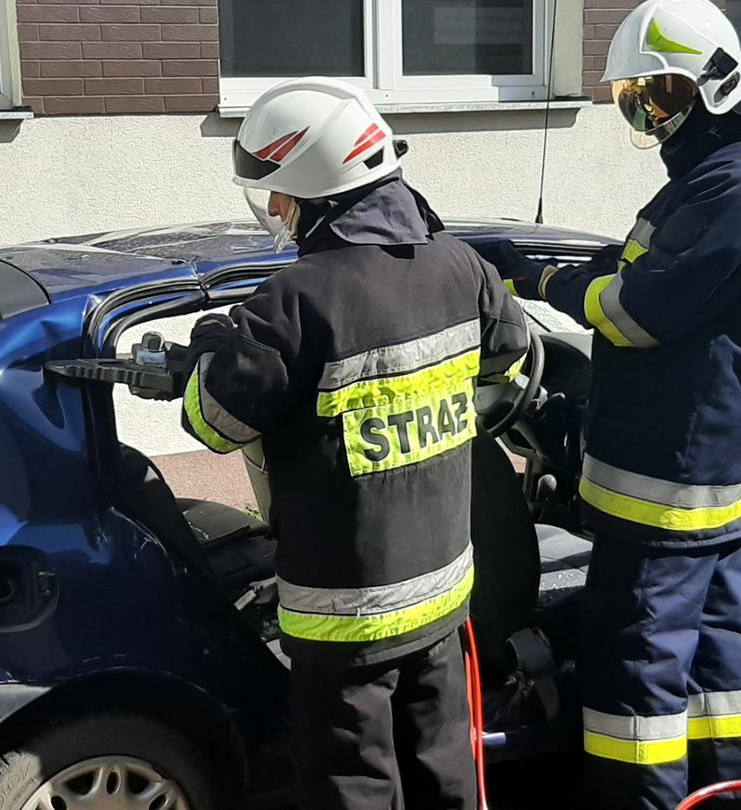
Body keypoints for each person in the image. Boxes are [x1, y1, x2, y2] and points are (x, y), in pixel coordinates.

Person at [474, 1, 741, 806]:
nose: (648, 115)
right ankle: (732, 795)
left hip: (671, 485)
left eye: (657, 95)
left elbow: (635, 310)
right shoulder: (727, 174)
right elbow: (654, 271)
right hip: (711, 478)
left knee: (638, 669)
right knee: (716, 657)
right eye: (635, 99)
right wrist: (558, 262)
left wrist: (535, 281)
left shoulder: (734, 186)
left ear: (714, 86)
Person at [177, 77, 531, 810]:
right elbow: (509, 352)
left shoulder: (293, 302)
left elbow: (212, 424)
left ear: (311, 187)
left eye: (278, 194)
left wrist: (216, 349)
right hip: (441, 595)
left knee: (355, 784)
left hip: (344, 615)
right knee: (445, 771)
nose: (276, 211)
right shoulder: (461, 267)